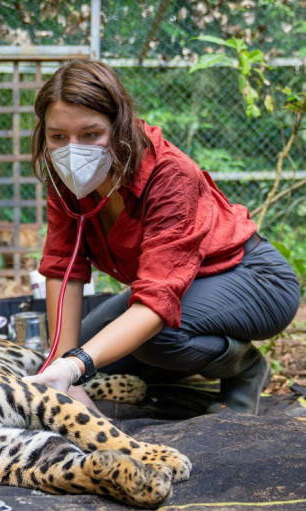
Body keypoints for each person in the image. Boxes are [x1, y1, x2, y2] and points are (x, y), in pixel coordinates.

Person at [23, 59, 300, 415]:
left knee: (153, 338)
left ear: (119, 126)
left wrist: (74, 367)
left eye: (90, 135)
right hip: (181, 286)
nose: (72, 150)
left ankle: (244, 366)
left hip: (252, 278)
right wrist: (64, 365)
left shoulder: (171, 174)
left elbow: (157, 302)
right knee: (92, 348)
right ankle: (188, 371)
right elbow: (64, 267)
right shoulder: (63, 178)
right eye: (58, 136)